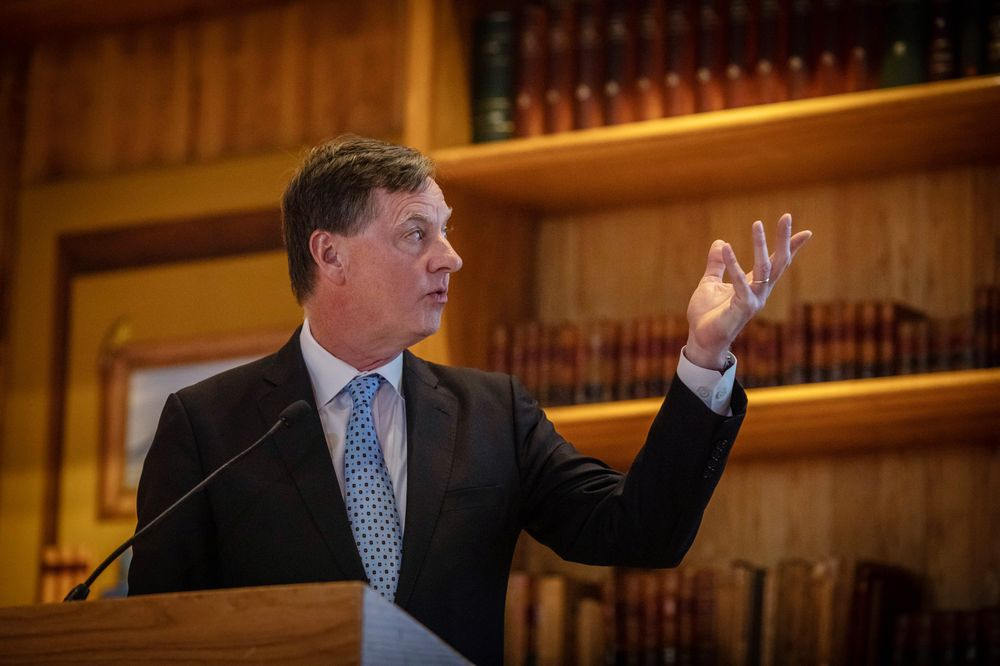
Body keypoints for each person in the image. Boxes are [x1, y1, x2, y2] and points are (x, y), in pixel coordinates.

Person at [128, 135, 811, 664]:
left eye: (446, 230)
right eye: (416, 234)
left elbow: (641, 531)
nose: (450, 257)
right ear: (330, 256)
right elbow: (155, 639)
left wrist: (705, 357)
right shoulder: (208, 427)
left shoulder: (492, 414)